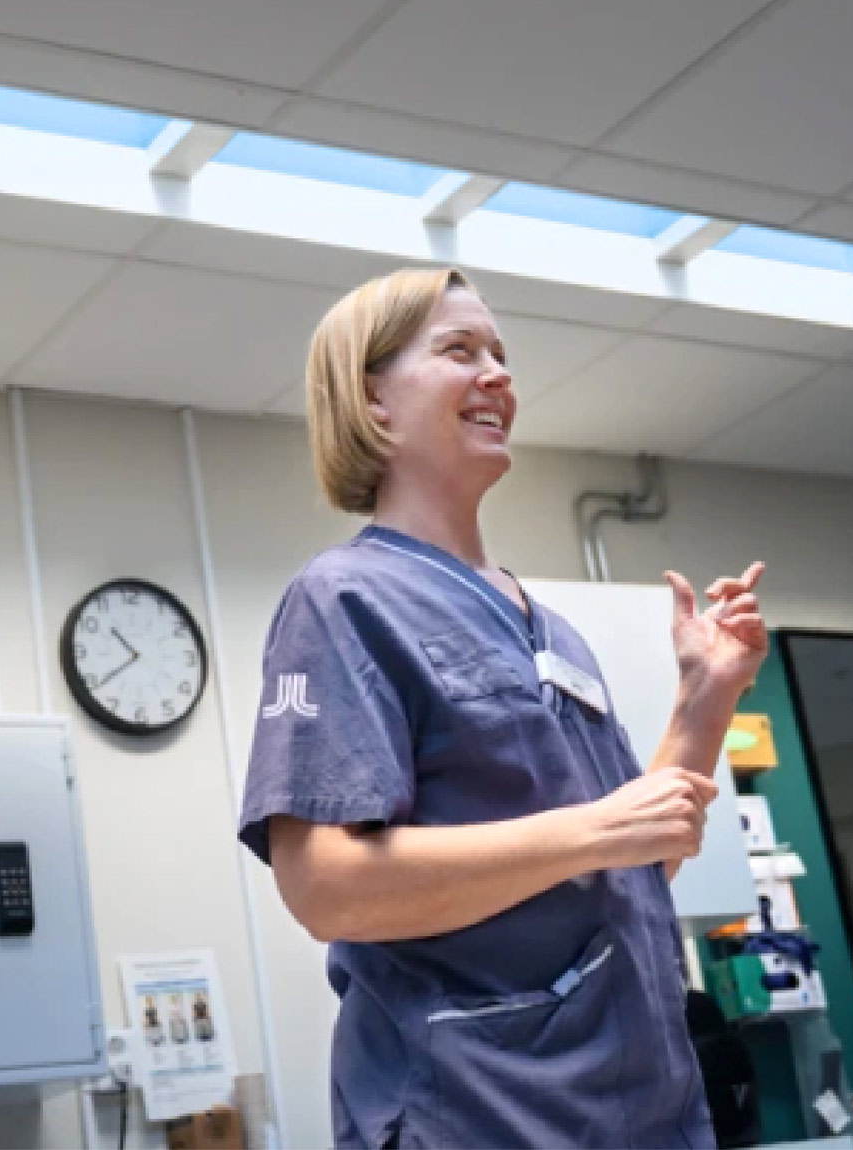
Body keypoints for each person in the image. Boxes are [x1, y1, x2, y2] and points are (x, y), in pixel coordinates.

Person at [237, 266, 770, 1149]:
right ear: (373, 404)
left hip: (644, 1107)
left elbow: (623, 873)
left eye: (501, 354)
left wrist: (706, 700)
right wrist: (597, 830)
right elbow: (325, 886)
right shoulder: (343, 600)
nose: (499, 376)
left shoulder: (550, 628)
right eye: (459, 351)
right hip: (485, 1111)